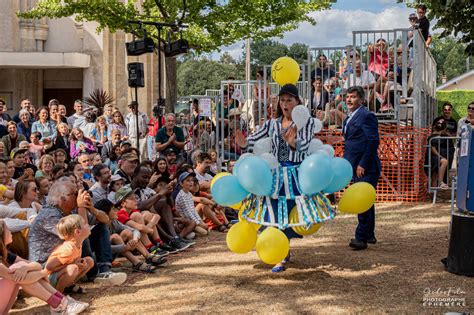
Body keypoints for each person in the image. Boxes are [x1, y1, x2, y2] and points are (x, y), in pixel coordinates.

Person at [235, 83, 333, 272]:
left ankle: (283, 248)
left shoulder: (306, 122)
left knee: (289, 212)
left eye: (289, 100)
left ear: (297, 102)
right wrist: (244, 143)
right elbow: (254, 141)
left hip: (296, 174)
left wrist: (294, 142)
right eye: (282, 100)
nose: (285, 104)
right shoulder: (271, 124)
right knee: (273, 212)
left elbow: (308, 145)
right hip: (275, 174)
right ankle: (280, 253)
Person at [28, 177, 127, 285]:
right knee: (79, 235)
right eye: (75, 194)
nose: (78, 196)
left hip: (67, 257)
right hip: (47, 266)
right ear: (62, 198)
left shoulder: (70, 209)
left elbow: (106, 220)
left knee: (100, 227)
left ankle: (104, 270)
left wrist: (91, 208)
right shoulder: (48, 215)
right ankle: (93, 274)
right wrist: (81, 207)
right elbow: (81, 234)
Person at [0, 220, 89, 314]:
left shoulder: (6, 254)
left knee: (23, 268)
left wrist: (28, 268)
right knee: (21, 270)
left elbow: (35, 264)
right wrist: (43, 273)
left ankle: (62, 301)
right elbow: (22, 278)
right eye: (8, 230)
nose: (10, 232)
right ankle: (58, 304)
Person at [342, 86, 381, 250]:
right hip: (355, 165)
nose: (349, 99)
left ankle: (360, 238)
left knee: (361, 200)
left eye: (353, 97)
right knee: (366, 202)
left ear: (362, 100)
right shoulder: (349, 117)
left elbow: (373, 141)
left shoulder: (367, 116)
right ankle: (369, 234)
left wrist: (363, 164)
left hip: (366, 167)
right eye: (347, 97)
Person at [130, 165, 192, 251]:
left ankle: (174, 237)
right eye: (144, 177)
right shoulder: (126, 190)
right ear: (135, 175)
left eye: (148, 178)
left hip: (150, 217)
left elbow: (167, 202)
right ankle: (168, 239)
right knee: (150, 208)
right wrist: (160, 194)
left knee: (163, 204)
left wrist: (168, 192)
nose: (147, 180)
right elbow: (138, 206)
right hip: (135, 219)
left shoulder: (146, 189)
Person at [95, 199, 166, 273]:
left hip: (112, 253)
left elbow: (134, 230)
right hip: (99, 258)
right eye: (113, 209)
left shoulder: (113, 222)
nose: (116, 210)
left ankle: (148, 257)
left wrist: (134, 240)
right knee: (115, 237)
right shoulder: (98, 227)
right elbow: (101, 249)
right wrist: (123, 247)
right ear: (105, 214)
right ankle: (137, 263)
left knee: (127, 232)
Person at [44, 214, 94, 292]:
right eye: (84, 224)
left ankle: (68, 286)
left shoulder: (78, 244)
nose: (87, 225)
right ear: (78, 232)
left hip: (60, 274)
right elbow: (49, 267)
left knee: (89, 261)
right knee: (73, 268)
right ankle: (58, 294)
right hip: (48, 280)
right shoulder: (68, 250)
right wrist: (73, 264)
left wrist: (78, 263)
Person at [175, 172, 210, 236]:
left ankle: (194, 230)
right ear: (181, 183)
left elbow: (193, 210)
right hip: (186, 222)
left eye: (192, 180)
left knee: (206, 230)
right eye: (188, 180)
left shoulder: (189, 194)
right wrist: (199, 223)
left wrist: (200, 222)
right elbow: (188, 214)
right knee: (204, 232)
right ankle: (188, 232)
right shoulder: (182, 196)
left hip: (191, 220)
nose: (191, 182)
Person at [425, 119, 451, 189]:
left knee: (434, 176)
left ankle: (433, 194)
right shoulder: (434, 137)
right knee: (444, 161)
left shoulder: (435, 135)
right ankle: (440, 182)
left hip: (433, 158)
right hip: (432, 158)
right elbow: (433, 148)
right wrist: (440, 156)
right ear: (444, 128)